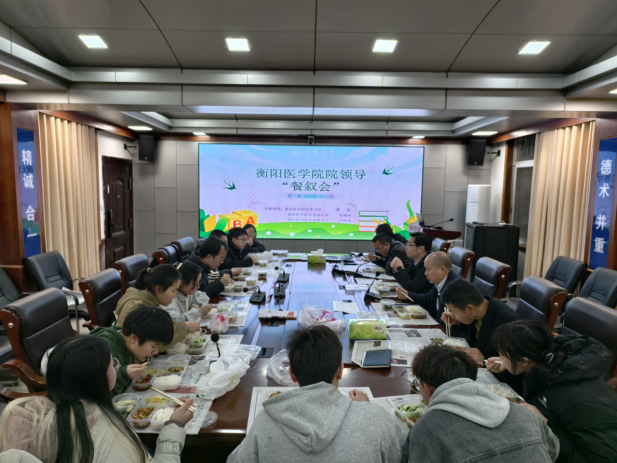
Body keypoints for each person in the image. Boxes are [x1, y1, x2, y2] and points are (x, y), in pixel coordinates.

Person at [0, 335, 193, 463]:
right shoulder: (104, 436)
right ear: (98, 378)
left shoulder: (22, 416)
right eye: (112, 365)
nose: (117, 367)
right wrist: (174, 426)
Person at [227, 325, 403, 463]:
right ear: (340, 370)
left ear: (292, 375)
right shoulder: (379, 420)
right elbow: (399, 456)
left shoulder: (264, 423)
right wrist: (365, 411)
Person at [398, 344, 559, 463]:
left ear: (428, 388)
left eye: (418, 383)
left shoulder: (426, 428)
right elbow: (553, 450)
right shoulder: (525, 414)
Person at [487, 320, 617, 463]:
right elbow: (536, 392)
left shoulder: (581, 399)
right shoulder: (545, 363)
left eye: (502, 354)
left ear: (524, 360)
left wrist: (546, 424)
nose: (499, 356)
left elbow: (599, 459)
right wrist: (507, 370)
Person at [91, 305, 174, 395]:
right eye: (153, 346)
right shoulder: (105, 348)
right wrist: (124, 374)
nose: (156, 352)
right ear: (134, 339)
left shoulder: (127, 344)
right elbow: (97, 388)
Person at [115, 265, 200, 352]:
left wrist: (184, 327)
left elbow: (167, 326)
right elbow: (155, 344)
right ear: (158, 289)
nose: (174, 296)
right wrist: (184, 328)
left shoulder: (152, 301)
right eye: (173, 291)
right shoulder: (137, 307)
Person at [441, 279, 519, 365]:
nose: (452, 314)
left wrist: (484, 359)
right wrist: (457, 323)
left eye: (454, 312)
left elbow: (518, 364)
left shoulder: (508, 323)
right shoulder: (477, 310)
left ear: (469, 308)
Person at [396, 251, 463, 327]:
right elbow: (428, 298)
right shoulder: (440, 280)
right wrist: (407, 295)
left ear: (442, 270)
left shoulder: (455, 289)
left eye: (428, 269)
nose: (425, 273)